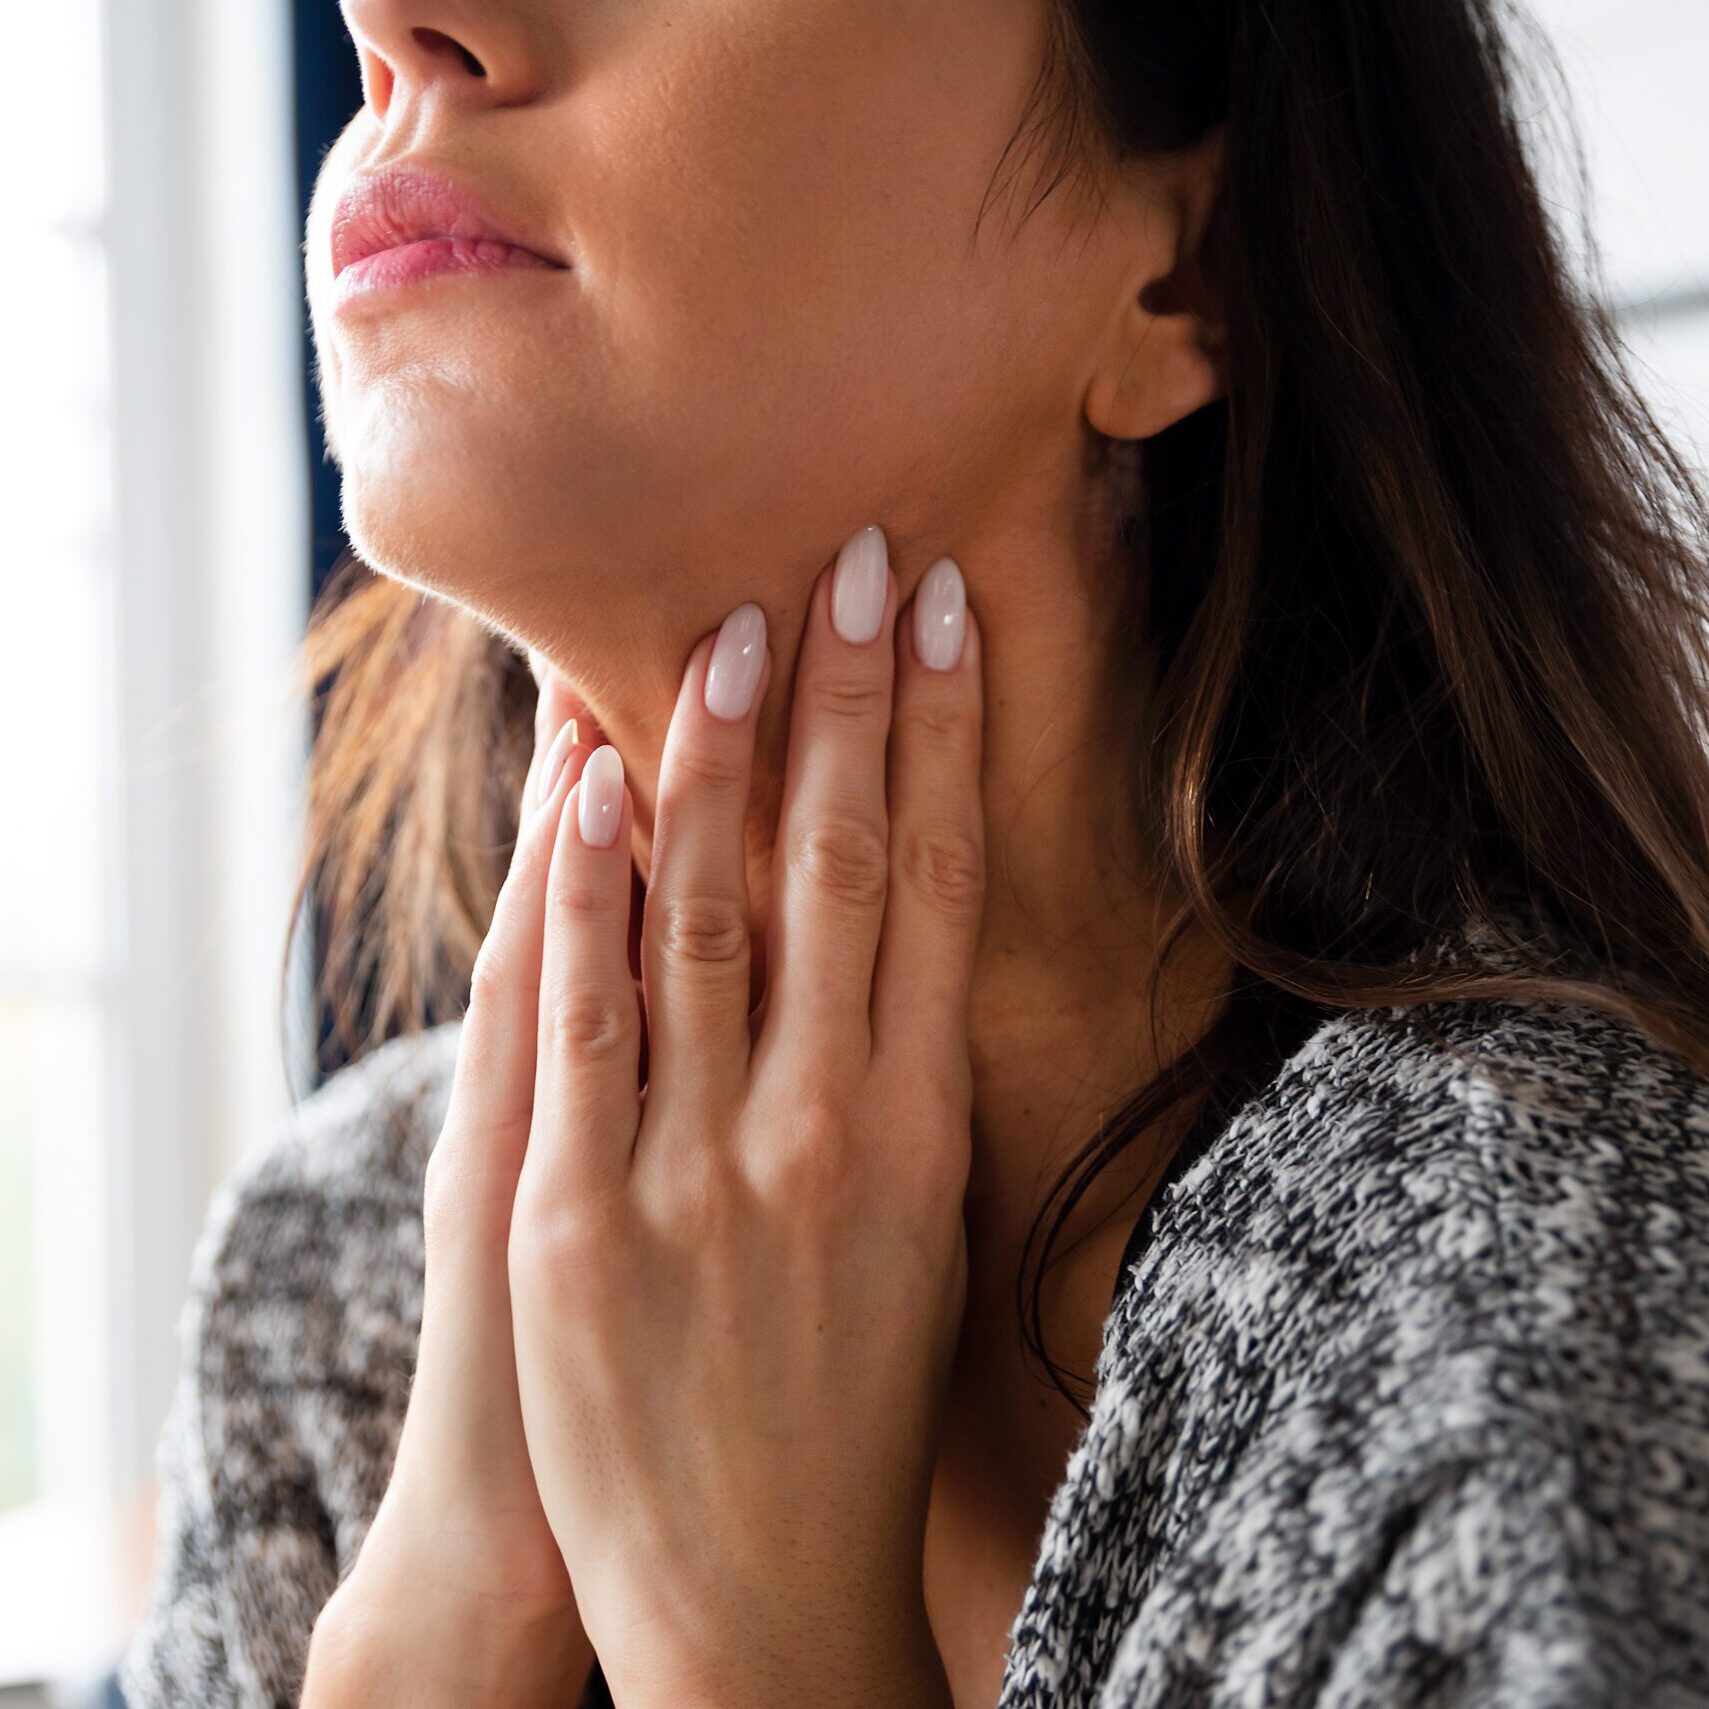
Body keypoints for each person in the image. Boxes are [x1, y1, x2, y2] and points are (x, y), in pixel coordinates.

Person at [123, 0, 1709, 1705]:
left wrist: (751, 1654)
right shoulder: (343, 1284)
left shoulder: (1523, 1322)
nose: (388, 19)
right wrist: (421, 1649)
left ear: (1193, 273)